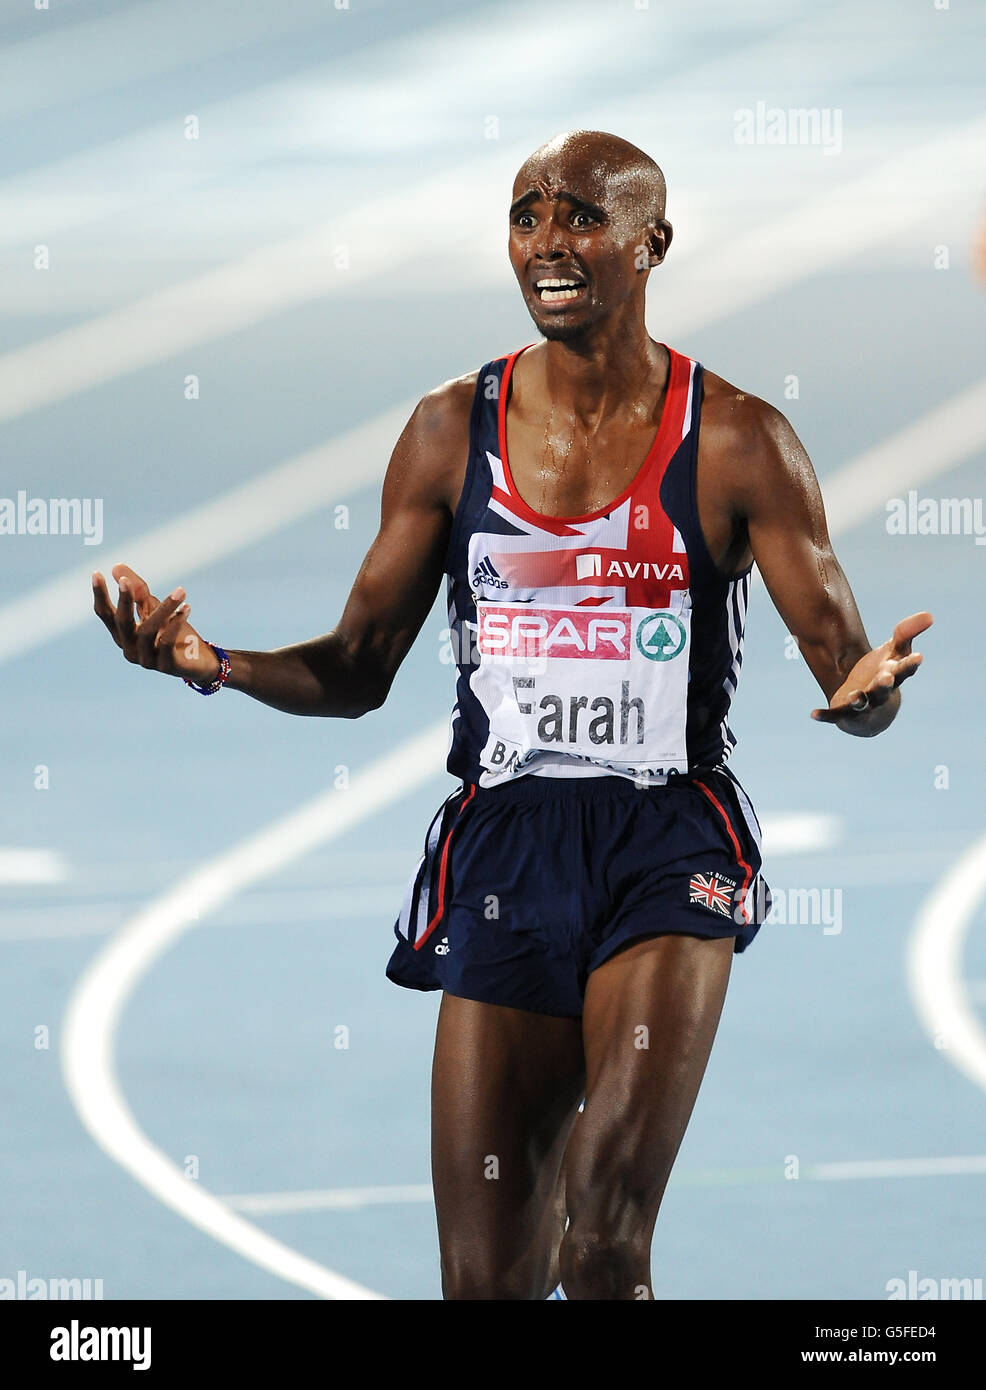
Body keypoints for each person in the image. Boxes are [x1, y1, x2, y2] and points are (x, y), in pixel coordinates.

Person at [92, 130, 931, 1300]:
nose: (547, 242)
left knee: (601, 1226)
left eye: (580, 216)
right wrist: (210, 659)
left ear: (651, 244)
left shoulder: (736, 440)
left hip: (666, 840)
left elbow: (848, 671)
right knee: (485, 1280)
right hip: (503, 845)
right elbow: (355, 667)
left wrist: (867, 700)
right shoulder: (450, 431)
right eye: (525, 215)